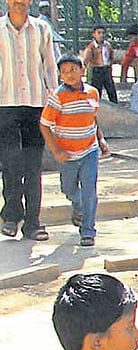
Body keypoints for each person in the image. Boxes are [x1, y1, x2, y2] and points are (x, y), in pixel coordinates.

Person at [0, 0, 58, 243]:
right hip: (5, 104)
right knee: (10, 163)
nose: (19, 2)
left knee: (34, 166)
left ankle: (33, 223)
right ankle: (12, 215)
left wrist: (55, 101)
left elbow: (49, 66)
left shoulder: (41, 29)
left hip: (36, 105)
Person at [40, 54, 110, 248]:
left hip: (89, 150)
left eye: (73, 70)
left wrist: (101, 139)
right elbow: (45, 125)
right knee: (69, 189)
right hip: (67, 153)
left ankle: (88, 231)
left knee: (90, 191)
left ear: (82, 71)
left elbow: (93, 118)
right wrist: (55, 151)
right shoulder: (58, 96)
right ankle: (77, 206)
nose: (69, 75)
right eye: (64, 72)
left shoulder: (93, 93)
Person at [81, 25, 118, 103]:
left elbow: (111, 56)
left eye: (103, 33)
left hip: (106, 69)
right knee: (96, 91)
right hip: (97, 70)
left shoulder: (107, 45)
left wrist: (110, 65)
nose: (101, 35)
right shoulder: (91, 47)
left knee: (111, 90)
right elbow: (86, 60)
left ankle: (115, 106)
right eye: (99, 33)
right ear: (94, 34)